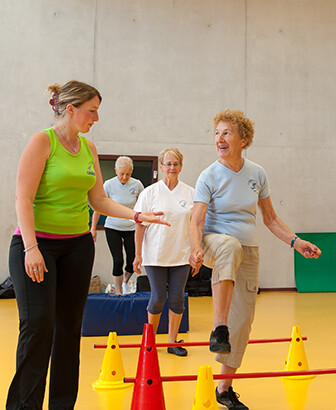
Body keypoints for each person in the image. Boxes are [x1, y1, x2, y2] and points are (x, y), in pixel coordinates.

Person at [6, 80, 169, 410]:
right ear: (71, 109)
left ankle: (62, 405)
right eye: (92, 111)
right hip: (37, 246)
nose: (96, 118)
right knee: (38, 328)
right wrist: (32, 248)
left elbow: (98, 199)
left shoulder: (89, 149)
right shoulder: (43, 142)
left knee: (68, 330)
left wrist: (137, 215)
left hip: (77, 246)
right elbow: (23, 198)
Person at [189, 109, 321, 409]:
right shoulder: (208, 175)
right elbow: (195, 220)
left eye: (226, 133)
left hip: (248, 248)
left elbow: (271, 219)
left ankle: (224, 388)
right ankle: (218, 325)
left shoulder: (257, 173)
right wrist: (195, 248)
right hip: (214, 242)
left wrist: (296, 242)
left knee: (245, 320)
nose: (219, 138)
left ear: (243, 139)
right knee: (229, 247)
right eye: (217, 133)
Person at [133, 148, 194, 356]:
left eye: (176, 164)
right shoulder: (149, 193)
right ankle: (149, 341)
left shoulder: (190, 193)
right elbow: (140, 225)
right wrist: (138, 255)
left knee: (177, 298)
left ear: (181, 166)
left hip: (181, 255)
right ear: (161, 167)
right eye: (168, 164)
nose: (172, 168)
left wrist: (195, 252)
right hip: (155, 255)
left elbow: (196, 225)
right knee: (158, 297)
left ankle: (172, 342)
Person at [91, 156, 144, 295]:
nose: (124, 177)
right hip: (112, 227)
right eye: (122, 174)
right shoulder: (108, 185)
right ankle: (119, 292)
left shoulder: (137, 185)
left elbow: (144, 206)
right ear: (116, 171)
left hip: (132, 228)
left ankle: (125, 282)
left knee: (132, 260)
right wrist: (93, 228)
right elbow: (98, 207)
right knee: (118, 259)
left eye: (128, 174)